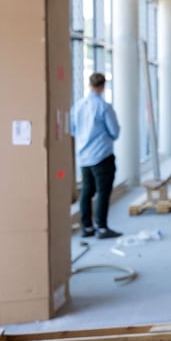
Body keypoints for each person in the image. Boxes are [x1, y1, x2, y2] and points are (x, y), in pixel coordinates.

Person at [71, 72, 123, 239]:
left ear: (89, 85)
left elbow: (72, 130)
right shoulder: (104, 107)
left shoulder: (78, 106)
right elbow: (114, 132)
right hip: (102, 156)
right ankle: (101, 227)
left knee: (87, 191)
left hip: (84, 157)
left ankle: (87, 227)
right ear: (103, 86)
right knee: (103, 192)